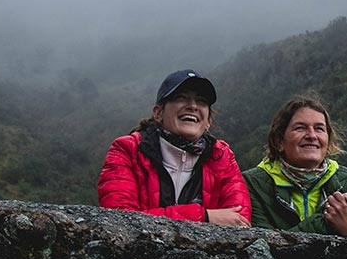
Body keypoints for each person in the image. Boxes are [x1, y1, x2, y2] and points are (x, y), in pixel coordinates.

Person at [98, 69, 251, 225]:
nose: (193, 106)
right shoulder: (127, 150)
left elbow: (239, 221)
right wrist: (204, 217)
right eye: (181, 98)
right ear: (158, 113)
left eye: (201, 101)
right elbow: (120, 220)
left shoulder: (221, 158)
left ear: (208, 122)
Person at [243, 94, 347, 238]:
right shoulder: (254, 183)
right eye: (300, 128)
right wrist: (325, 221)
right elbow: (262, 248)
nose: (312, 135)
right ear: (279, 141)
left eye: (319, 129)